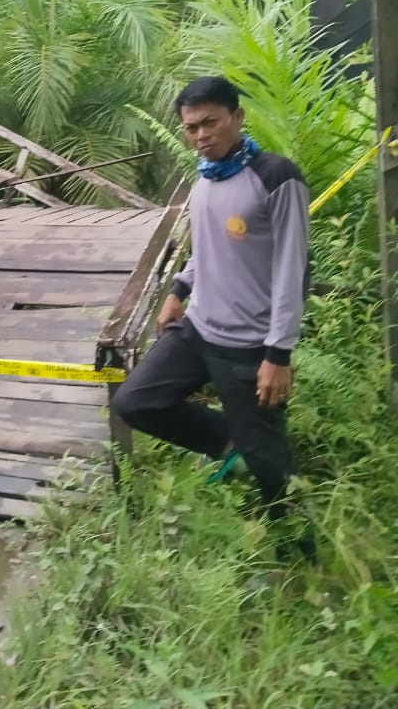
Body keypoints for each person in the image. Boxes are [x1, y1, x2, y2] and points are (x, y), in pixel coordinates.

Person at [110, 76, 314, 560]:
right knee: (136, 401)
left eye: (210, 123)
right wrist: (179, 289)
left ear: (237, 118)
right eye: (191, 127)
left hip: (249, 344)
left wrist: (278, 354)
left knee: (271, 465)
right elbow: (207, 248)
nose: (201, 135)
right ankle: (229, 440)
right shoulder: (206, 179)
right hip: (199, 328)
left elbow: (293, 271)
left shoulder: (276, 178)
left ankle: (301, 556)